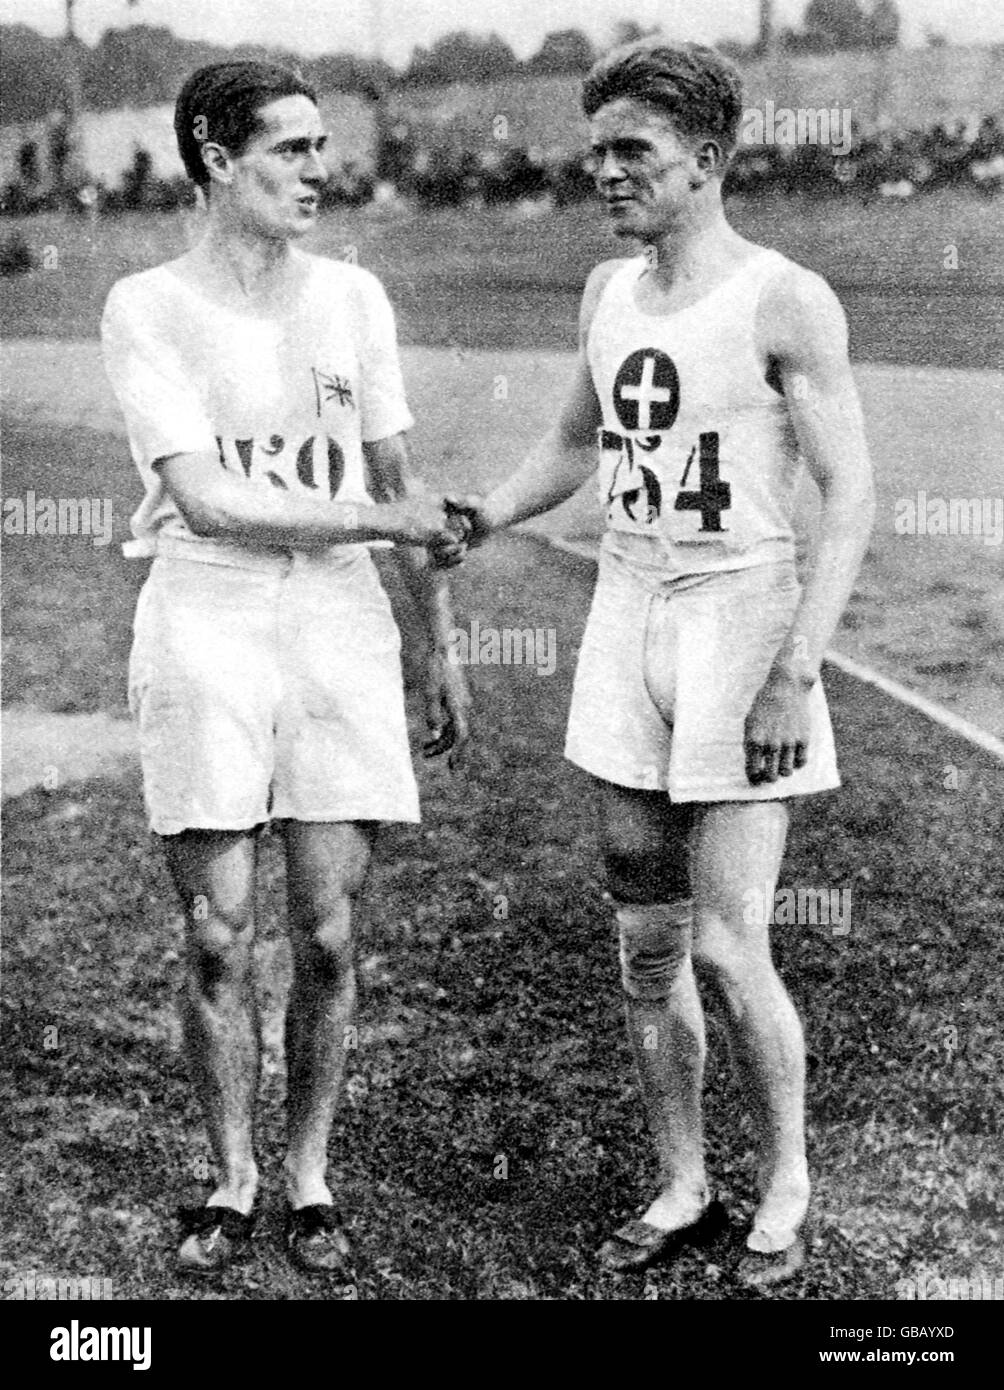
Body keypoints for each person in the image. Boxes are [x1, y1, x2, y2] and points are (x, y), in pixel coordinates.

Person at [448, 39, 875, 1287]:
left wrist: (797, 667)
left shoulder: (784, 297)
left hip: (741, 623)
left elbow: (847, 495)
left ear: (706, 158)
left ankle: (784, 1175)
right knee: (644, 945)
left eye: (630, 151)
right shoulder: (604, 291)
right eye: (595, 151)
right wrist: (485, 513)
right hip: (624, 615)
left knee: (731, 946)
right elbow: (571, 445)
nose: (604, 173)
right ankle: (683, 1177)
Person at [101, 61, 470, 1277]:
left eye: (324, 148)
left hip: (335, 622)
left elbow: (396, 474)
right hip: (206, 618)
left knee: (324, 932)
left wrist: (433, 647)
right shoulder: (146, 306)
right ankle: (230, 1177)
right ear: (214, 153)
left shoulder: (353, 299)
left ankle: (307, 1175)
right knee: (217, 933)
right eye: (292, 149)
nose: (322, 170)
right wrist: (383, 523)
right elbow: (202, 500)